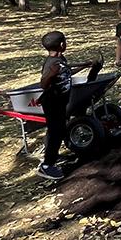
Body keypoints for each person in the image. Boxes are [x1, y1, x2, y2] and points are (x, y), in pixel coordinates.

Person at [37, 30, 73, 181]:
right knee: (55, 130)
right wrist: (51, 74)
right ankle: (46, 166)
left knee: (59, 128)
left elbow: (66, 72)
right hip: (52, 101)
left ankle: (53, 153)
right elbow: (44, 83)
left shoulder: (60, 59)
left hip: (61, 100)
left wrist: (87, 65)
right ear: (62, 45)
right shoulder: (51, 63)